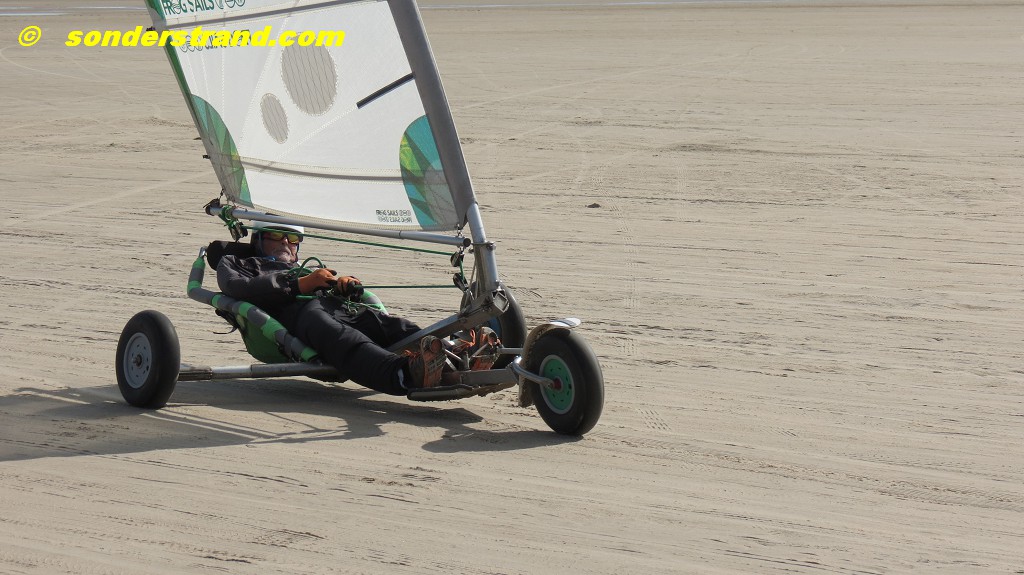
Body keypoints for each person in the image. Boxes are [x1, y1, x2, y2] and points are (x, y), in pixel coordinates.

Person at [216, 222, 446, 394]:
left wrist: (344, 286)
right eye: (276, 235)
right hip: (295, 315)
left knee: (393, 326)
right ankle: (404, 374)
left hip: (337, 306)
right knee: (345, 337)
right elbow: (237, 287)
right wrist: (299, 284)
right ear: (257, 238)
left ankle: (453, 361)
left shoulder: (307, 268)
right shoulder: (238, 263)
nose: (285, 242)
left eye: (293, 238)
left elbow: (332, 289)